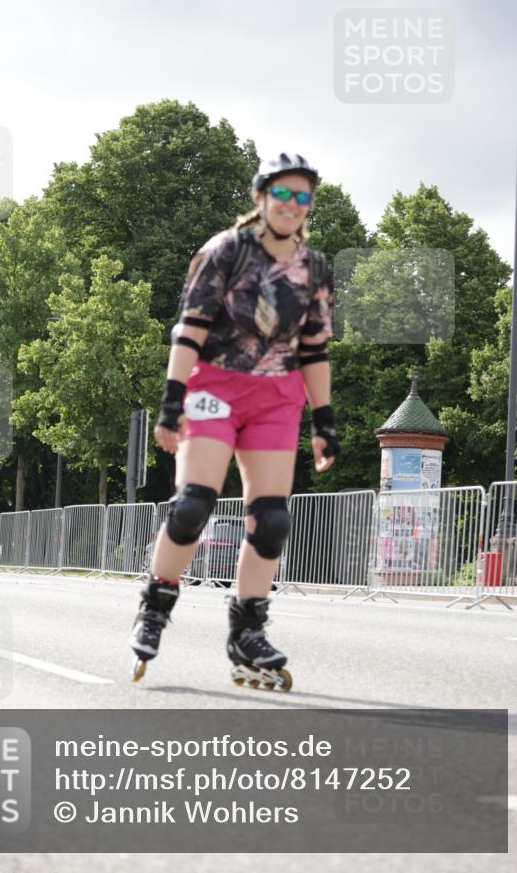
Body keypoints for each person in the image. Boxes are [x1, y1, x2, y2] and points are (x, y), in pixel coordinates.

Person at [130, 152, 340, 689]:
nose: (292, 204)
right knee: (192, 506)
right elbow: (190, 329)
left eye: (302, 196)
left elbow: (315, 349)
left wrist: (324, 421)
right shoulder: (226, 250)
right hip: (215, 387)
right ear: (261, 196)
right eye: (282, 193)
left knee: (271, 520)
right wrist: (172, 402)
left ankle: (247, 631)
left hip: (277, 396)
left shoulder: (315, 269)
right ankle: (155, 603)